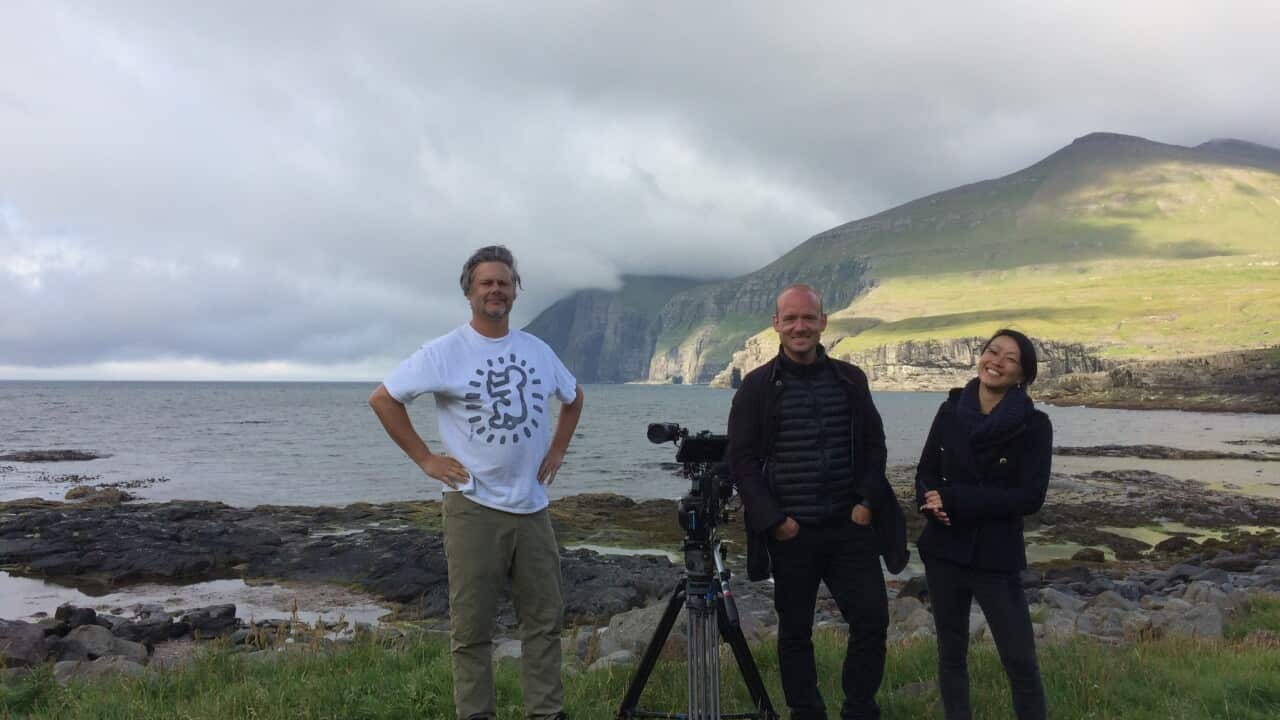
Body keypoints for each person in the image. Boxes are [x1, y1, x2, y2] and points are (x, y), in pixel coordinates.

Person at [369, 245, 584, 720]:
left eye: (504, 283)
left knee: (544, 621)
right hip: (473, 507)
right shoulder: (445, 352)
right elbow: (384, 399)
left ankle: (547, 713)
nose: (495, 290)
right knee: (471, 630)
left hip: (533, 508)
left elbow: (574, 398)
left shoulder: (537, 350)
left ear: (515, 292)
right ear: (469, 292)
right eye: (486, 283)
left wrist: (558, 450)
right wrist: (426, 459)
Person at [728, 284, 908, 720]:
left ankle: (860, 709)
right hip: (792, 533)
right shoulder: (756, 387)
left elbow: (875, 446)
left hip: (850, 527)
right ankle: (806, 711)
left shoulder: (851, 380)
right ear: (776, 324)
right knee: (795, 631)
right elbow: (741, 461)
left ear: (823, 322)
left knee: (871, 622)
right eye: (790, 319)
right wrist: (775, 521)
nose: (800, 327)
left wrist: (866, 502)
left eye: (808, 318)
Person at [915, 328, 1051, 720]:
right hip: (944, 551)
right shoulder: (949, 410)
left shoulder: (1035, 425)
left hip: (996, 557)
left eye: (1011, 358)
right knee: (951, 654)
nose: (997, 362)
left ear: (1022, 374)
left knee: (1020, 660)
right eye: (993, 351)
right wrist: (929, 503)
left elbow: (1030, 497)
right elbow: (925, 473)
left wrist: (954, 499)